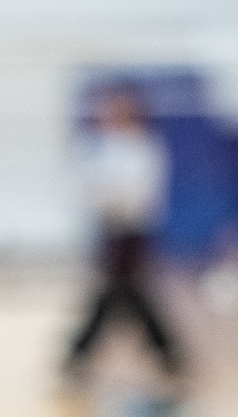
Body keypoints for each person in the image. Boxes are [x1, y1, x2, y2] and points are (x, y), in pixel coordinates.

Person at [64, 85, 182, 386]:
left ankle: (78, 355)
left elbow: (139, 195)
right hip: (110, 230)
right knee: (124, 293)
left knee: (118, 292)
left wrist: (110, 197)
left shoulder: (143, 148)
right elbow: (88, 189)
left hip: (132, 230)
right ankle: (166, 352)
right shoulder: (100, 147)